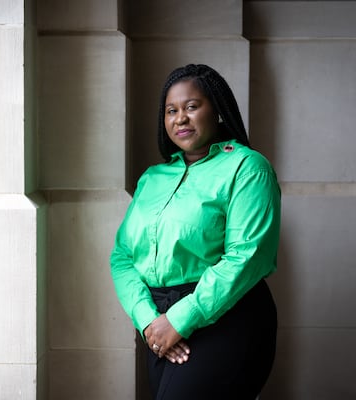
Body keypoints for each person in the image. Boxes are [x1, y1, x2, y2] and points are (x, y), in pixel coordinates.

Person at [110, 64, 280, 399]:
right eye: (171, 111)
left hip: (227, 316)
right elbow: (122, 257)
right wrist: (149, 322)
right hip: (159, 322)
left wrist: (181, 318)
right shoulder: (152, 178)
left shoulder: (247, 168)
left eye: (191, 107)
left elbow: (248, 256)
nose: (180, 118)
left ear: (216, 110)